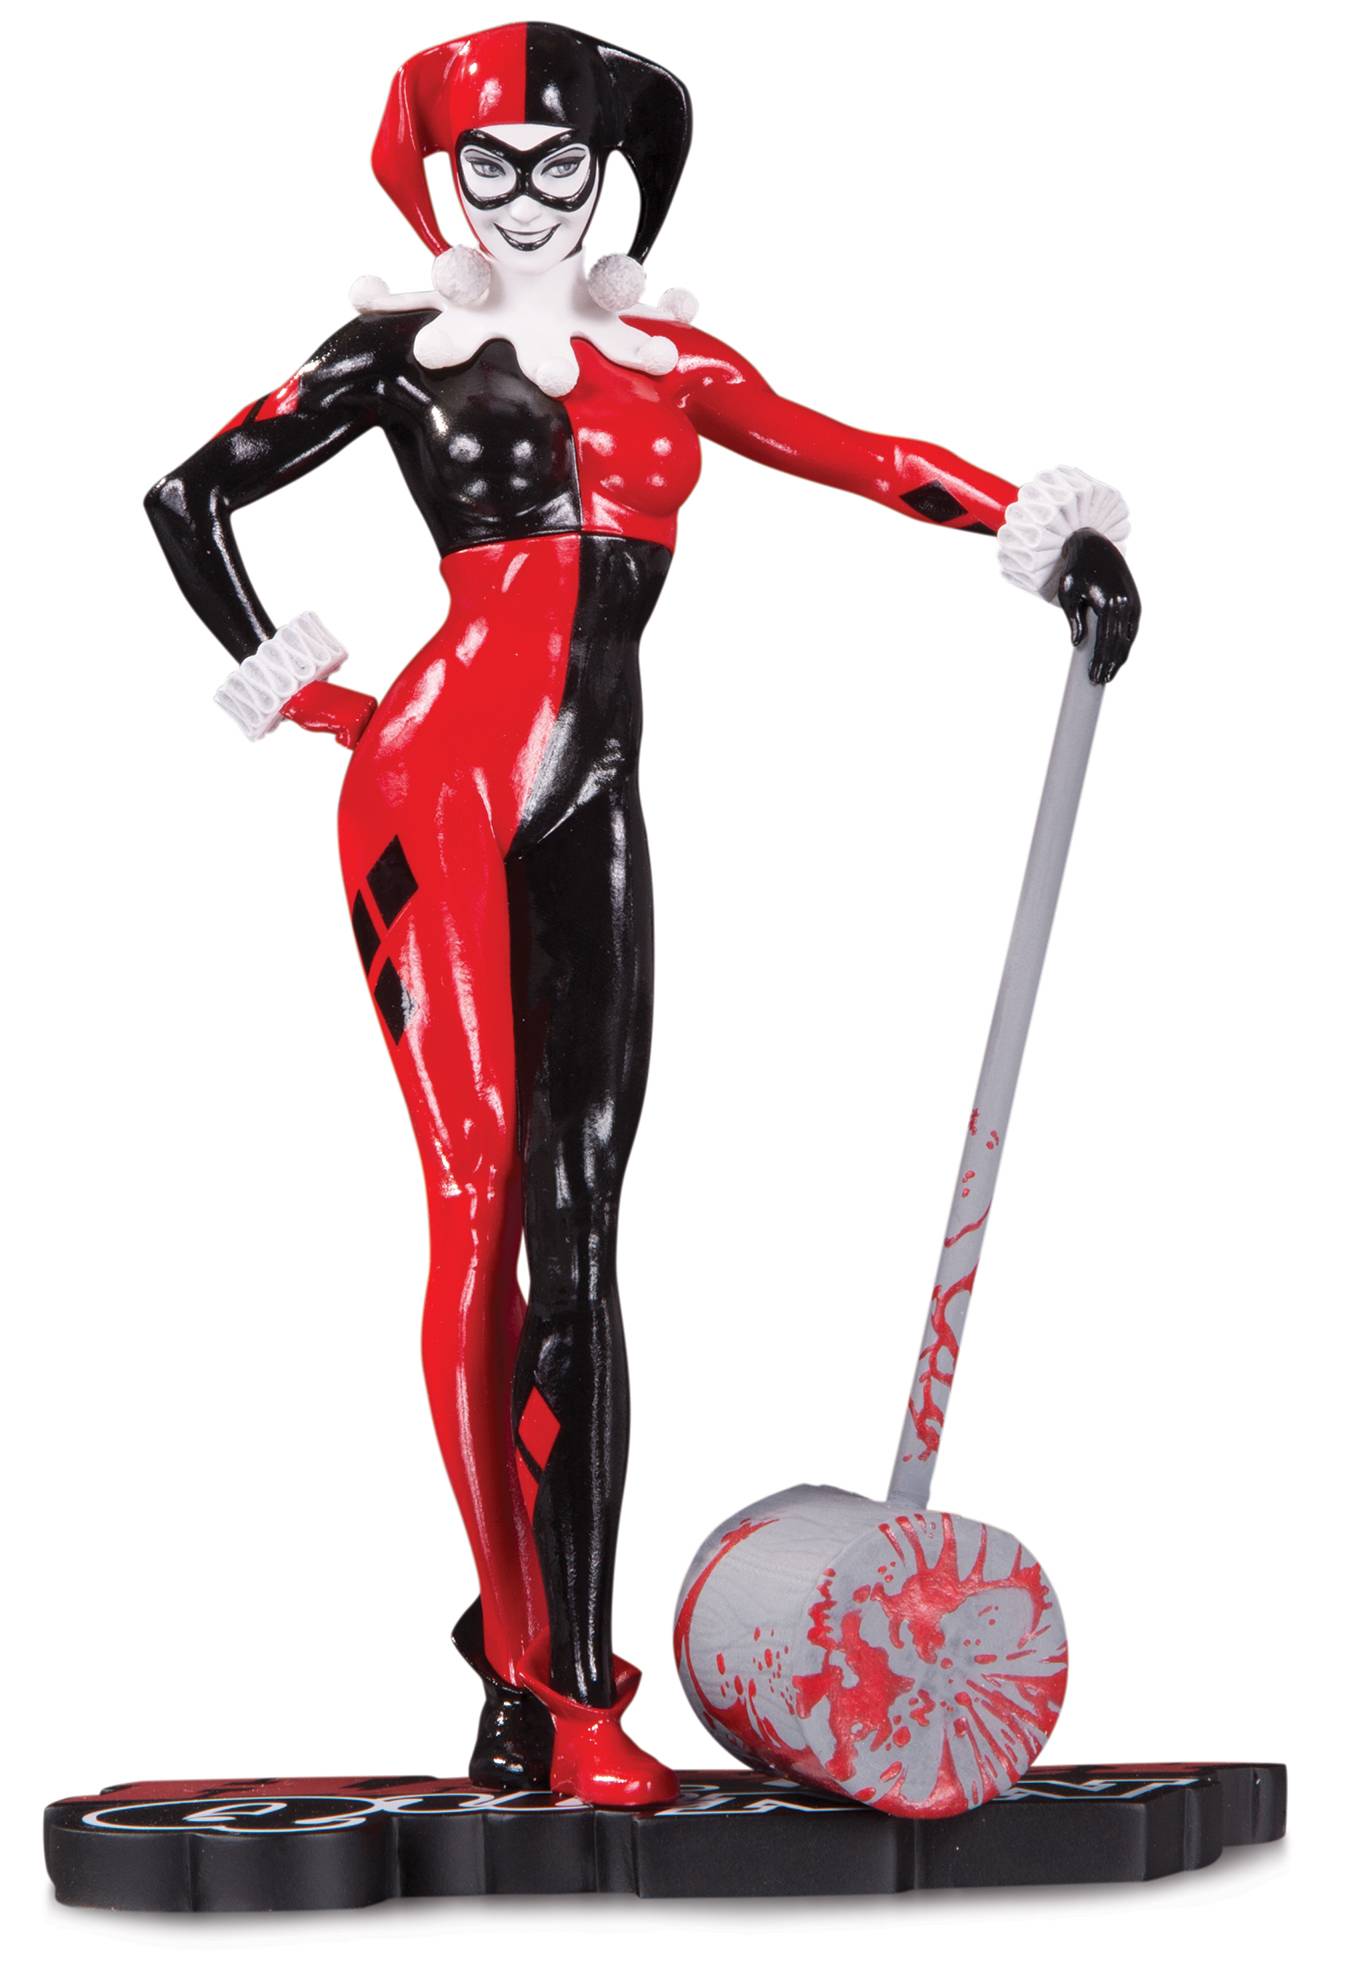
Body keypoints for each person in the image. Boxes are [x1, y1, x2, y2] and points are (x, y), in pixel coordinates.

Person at [146, 20, 1140, 1809]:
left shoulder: (670, 363)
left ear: (607, 173)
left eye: (559, 164)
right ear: (443, 177)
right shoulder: (397, 351)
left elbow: (856, 452)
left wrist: (1042, 533)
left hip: (592, 789)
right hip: (432, 792)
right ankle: (546, 1681)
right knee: (478, 1213)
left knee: (585, 1232)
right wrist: (306, 690)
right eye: (490, 166)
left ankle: (547, 1654)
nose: (526, 198)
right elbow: (188, 492)